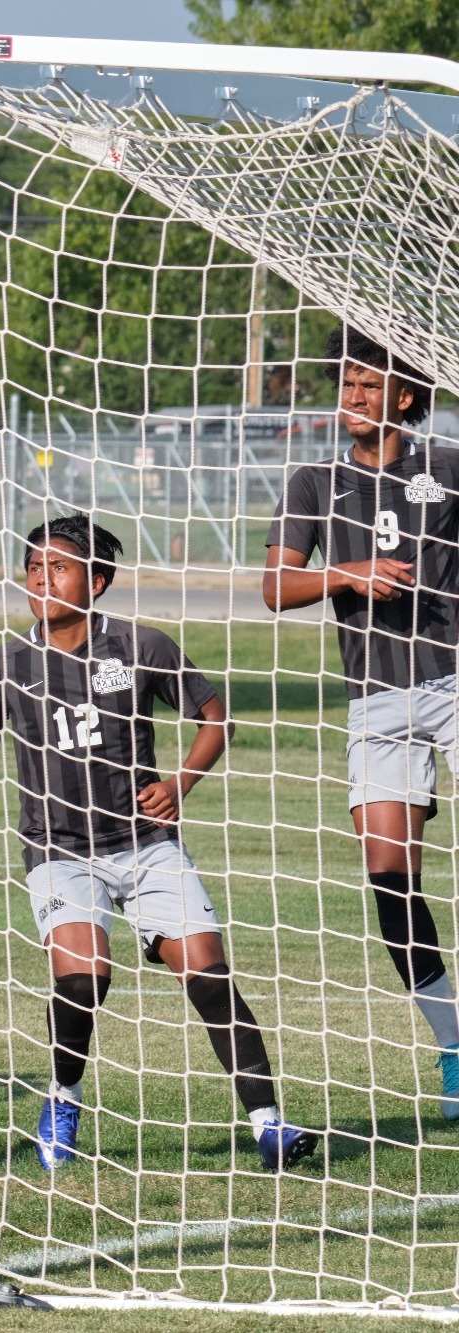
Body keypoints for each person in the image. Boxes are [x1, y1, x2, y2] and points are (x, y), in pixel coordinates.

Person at [0, 512, 317, 1172]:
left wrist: (180, 782)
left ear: (97, 579)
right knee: (85, 979)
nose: (41, 577)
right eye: (33, 566)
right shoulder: (5, 663)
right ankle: (63, 1094)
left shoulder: (141, 647)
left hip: (147, 845)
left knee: (207, 971)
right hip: (60, 852)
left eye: (57, 566)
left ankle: (269, 1124)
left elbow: (214, 717)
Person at [265, 327, 459, 1117]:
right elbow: (276, 587)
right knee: (389, 878)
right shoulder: (314, 481)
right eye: (345, 384)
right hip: (376, 701)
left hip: (455, 679)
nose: (351, 398)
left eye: (368, 385)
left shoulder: (447, 466)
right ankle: (453, 1045)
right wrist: (349, 574)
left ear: (405, 397)